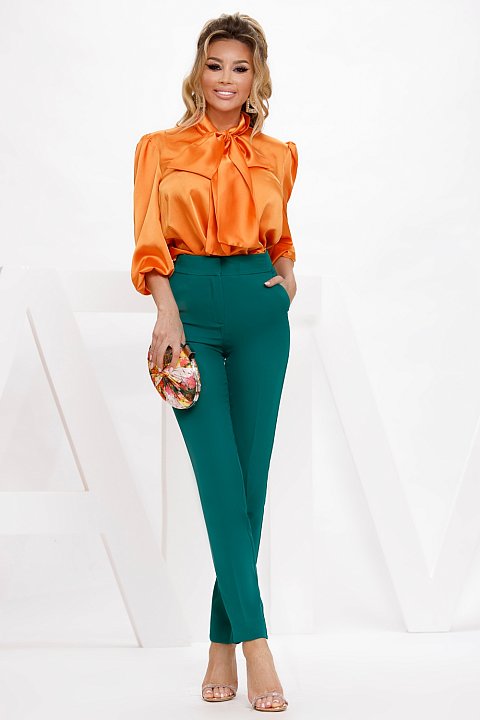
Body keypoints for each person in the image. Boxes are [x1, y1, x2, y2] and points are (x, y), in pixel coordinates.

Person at [131, 12, 298, 713]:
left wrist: (287, 279)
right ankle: (257, 647)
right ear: (198, 72)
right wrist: (166, 313)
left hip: (261, 315)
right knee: (220, 486)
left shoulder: (279, 154)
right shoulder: (159, 148)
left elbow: (281, 235)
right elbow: (149, 239)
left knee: (250, 487)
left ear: (256, 78)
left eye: (240, 67)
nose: (226, 79)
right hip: (189, 310)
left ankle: (219, 646)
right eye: (215, 64)